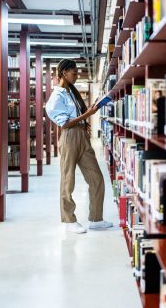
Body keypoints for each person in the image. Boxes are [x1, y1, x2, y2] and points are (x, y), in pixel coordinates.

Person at [45, 58, 113, 234]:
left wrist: (88, 115)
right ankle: (68, 220)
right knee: (68, 180)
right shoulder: (56, 97)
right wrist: (87, 115)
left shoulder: (71, 93)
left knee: (96, 177)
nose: (76, 76)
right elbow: (65, 124)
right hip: (69, 138)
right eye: (73, 73)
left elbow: (75, 117)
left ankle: (96, 218)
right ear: (64, 73)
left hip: (83, 136)